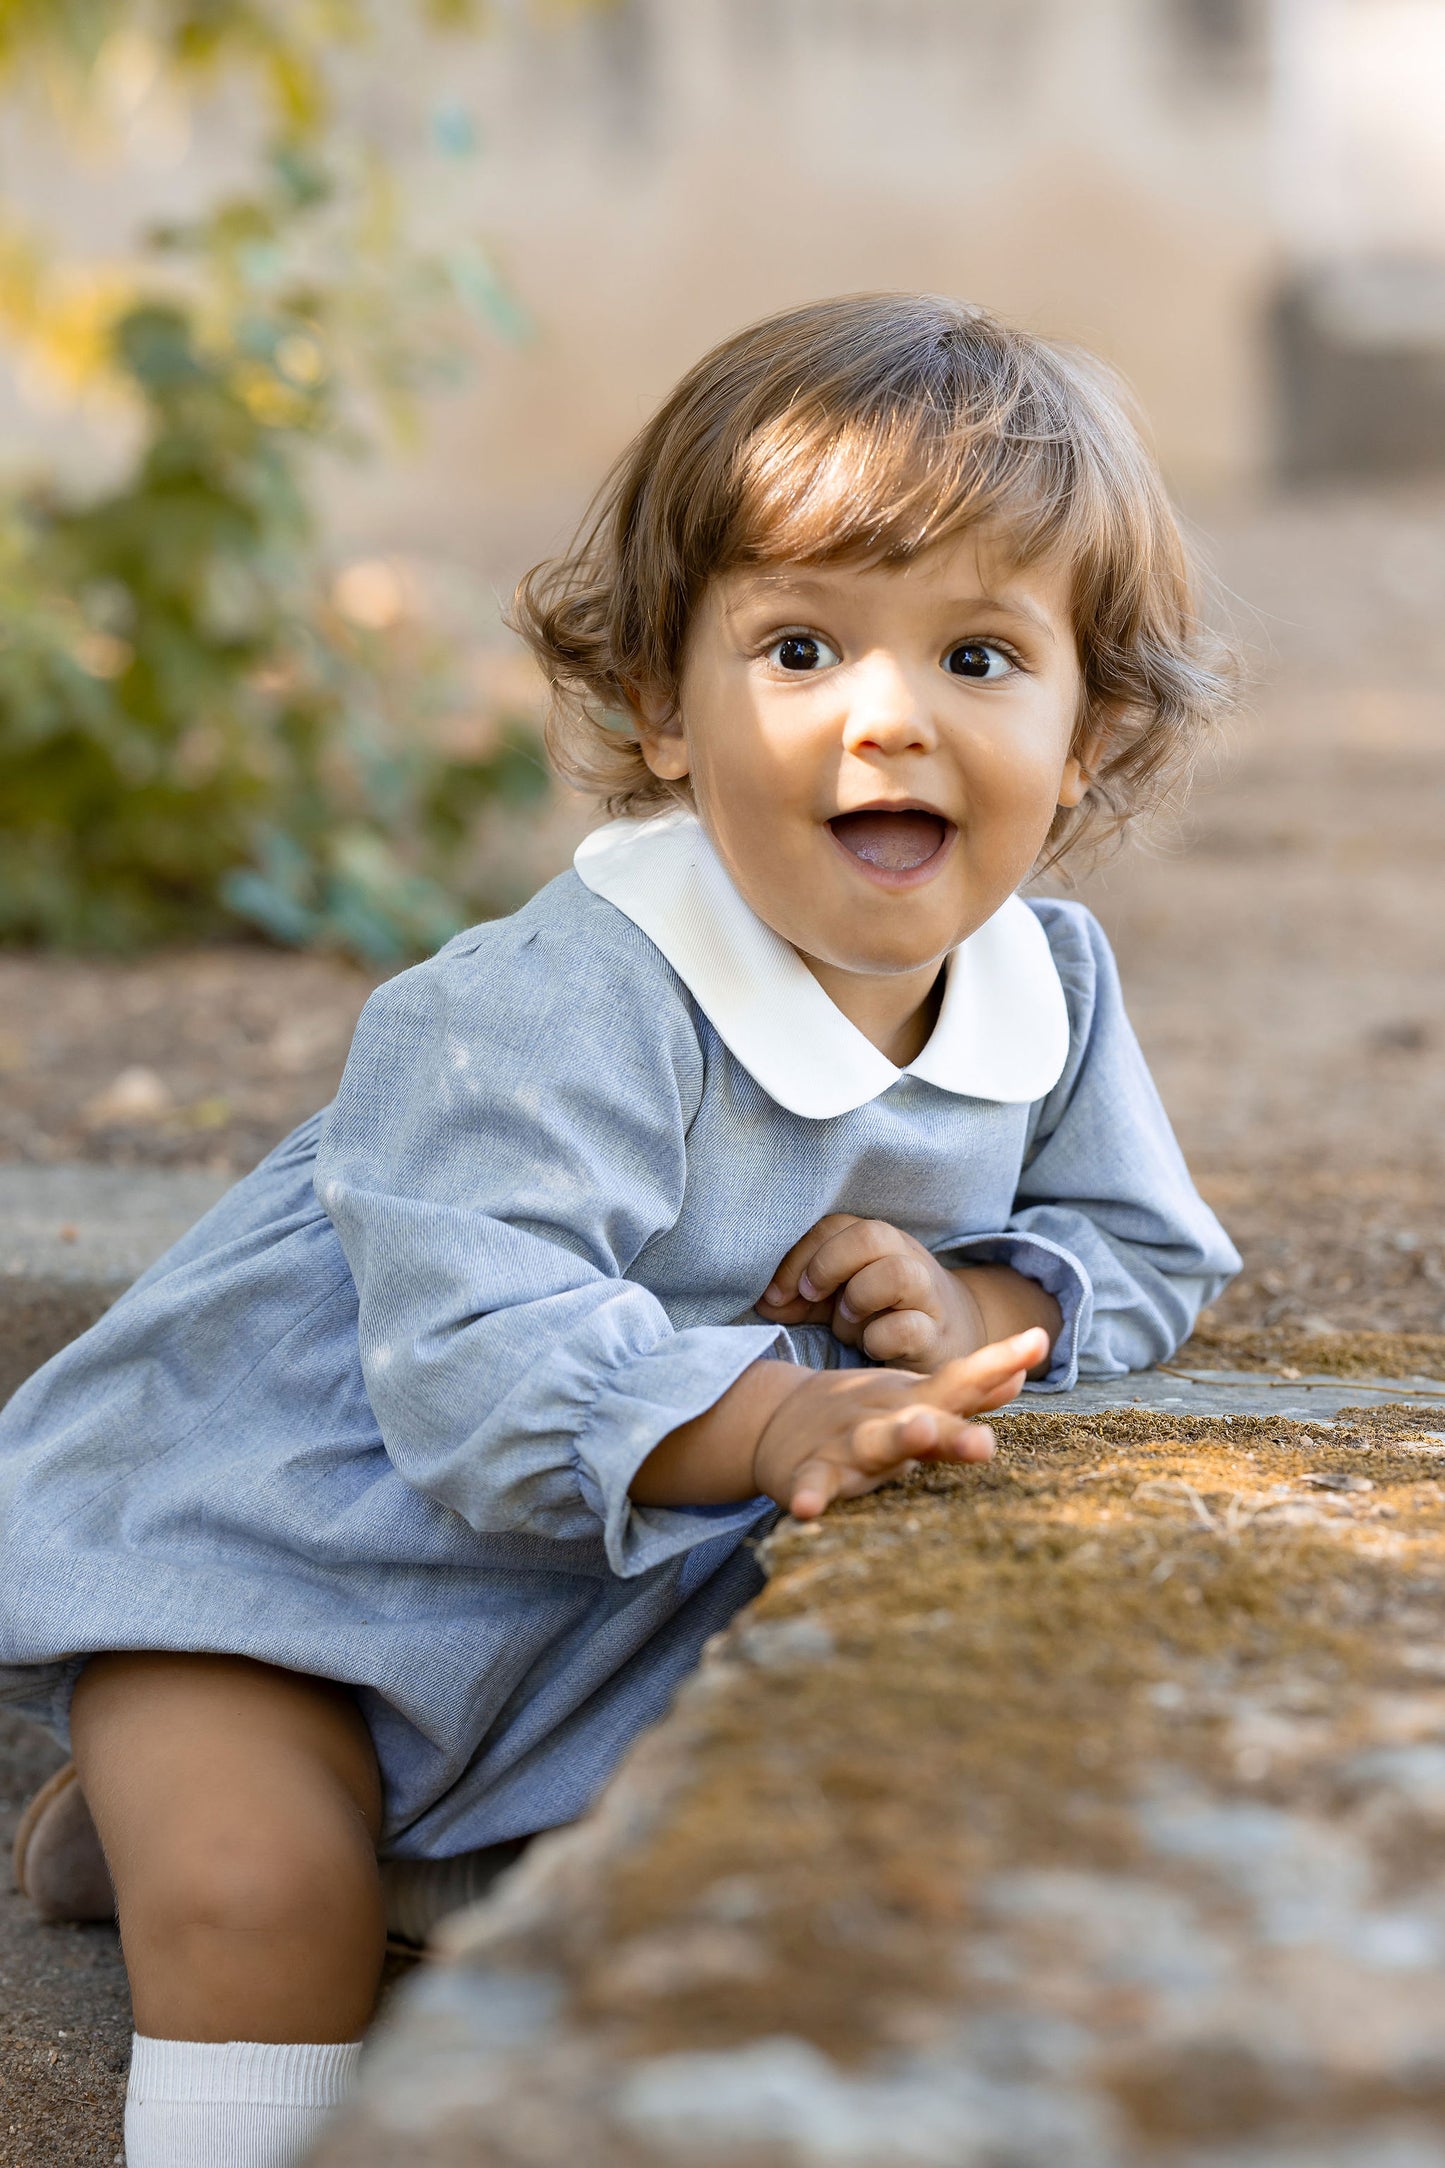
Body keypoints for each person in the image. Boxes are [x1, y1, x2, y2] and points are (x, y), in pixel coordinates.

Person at [0, 293, 1240, 2166]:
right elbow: (476, 1365)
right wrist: (769, 1419)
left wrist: (966, 1295)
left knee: (740, 1875)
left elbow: (1142, 1248)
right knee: (263, 1902)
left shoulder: (1042, 988)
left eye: (981, 657)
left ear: (1091, 733)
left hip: (602, 1608)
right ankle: (201, 1820)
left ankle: (272, 1821)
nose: (887, 715)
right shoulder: (549, 1005)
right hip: (295, 1568)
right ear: (661, 705)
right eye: (801, 647)